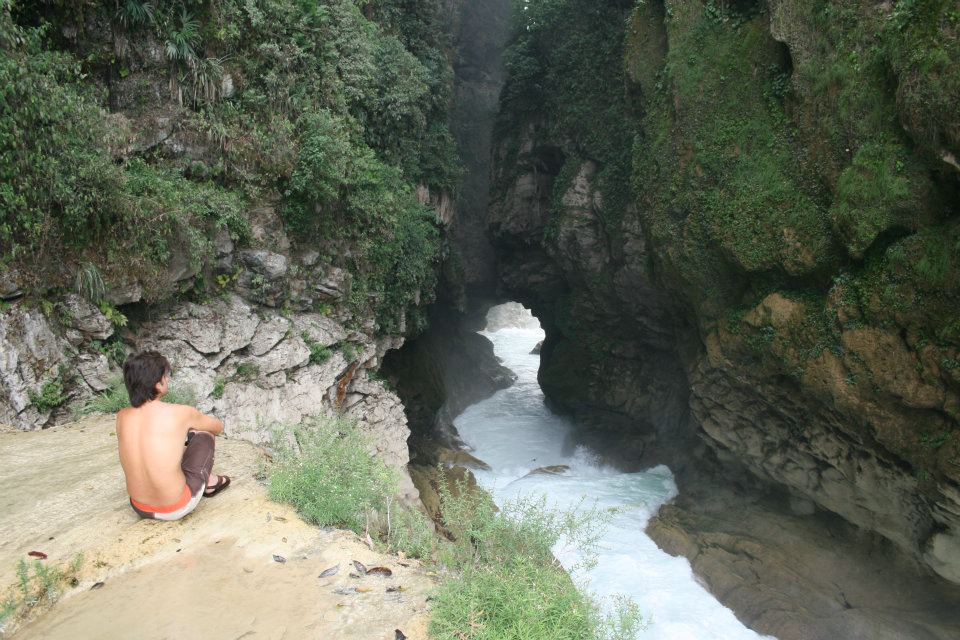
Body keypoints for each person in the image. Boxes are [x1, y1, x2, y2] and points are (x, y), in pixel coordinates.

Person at [116, 351, 230, 520]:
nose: (167, 379)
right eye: (165, 376)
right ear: (157, 384)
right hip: (175, 507)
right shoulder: (180, 413)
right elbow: (218, 427)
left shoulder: (122, 416)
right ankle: (210, 483)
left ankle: (206, 479)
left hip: (139, 507)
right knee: (204, 434)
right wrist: (192, 427)